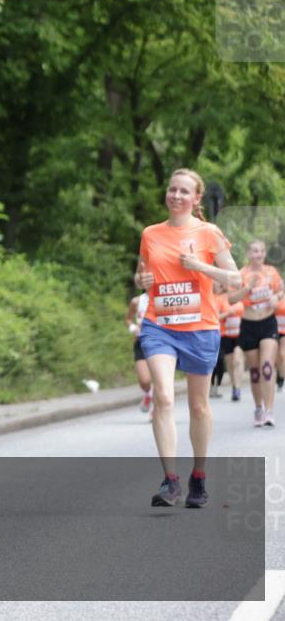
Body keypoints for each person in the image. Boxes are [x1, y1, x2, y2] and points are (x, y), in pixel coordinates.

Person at [134, 168, 240, 509]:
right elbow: (140, 275)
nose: (176, 196)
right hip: (159, 326)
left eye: (184, 191)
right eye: (172, 189)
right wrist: (142, 281)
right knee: (163, 397)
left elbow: (235, 278)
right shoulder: (151, 234)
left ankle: (199, 475)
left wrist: (200, 266)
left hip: (200, 328)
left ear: (196, 199)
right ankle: (171, 481)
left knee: (199, 406)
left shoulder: (209, 233)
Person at [227, 240, 281, 427]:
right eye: (255, 251)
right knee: (256, 371)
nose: (259, 254)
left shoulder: (271, 272)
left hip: (268, 323)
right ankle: (258, 408)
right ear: (249, 254)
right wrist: (247, 287)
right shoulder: (241, 274)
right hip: (249, 325)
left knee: (267, 366)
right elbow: (231, 298)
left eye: (262, 251)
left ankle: (269, 411)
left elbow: (281, 289)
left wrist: (277, 297)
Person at [124, 292, 153, 418]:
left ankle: (156, 412)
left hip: (160, 343)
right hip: (141, 342)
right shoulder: (137, 301)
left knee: (159, 380)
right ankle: (149, 394)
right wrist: (133, 328)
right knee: (144, 380)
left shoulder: (163, 297)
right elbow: (128, 319)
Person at [216, 285, 246, 402]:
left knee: (237, 359)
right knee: (229, 362)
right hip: (226, 334)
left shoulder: (243, 298)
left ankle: (237, 387)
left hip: (241, 334)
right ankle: (234, 385)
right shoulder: (221, 299)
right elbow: (215, 317)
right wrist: (227, 314)